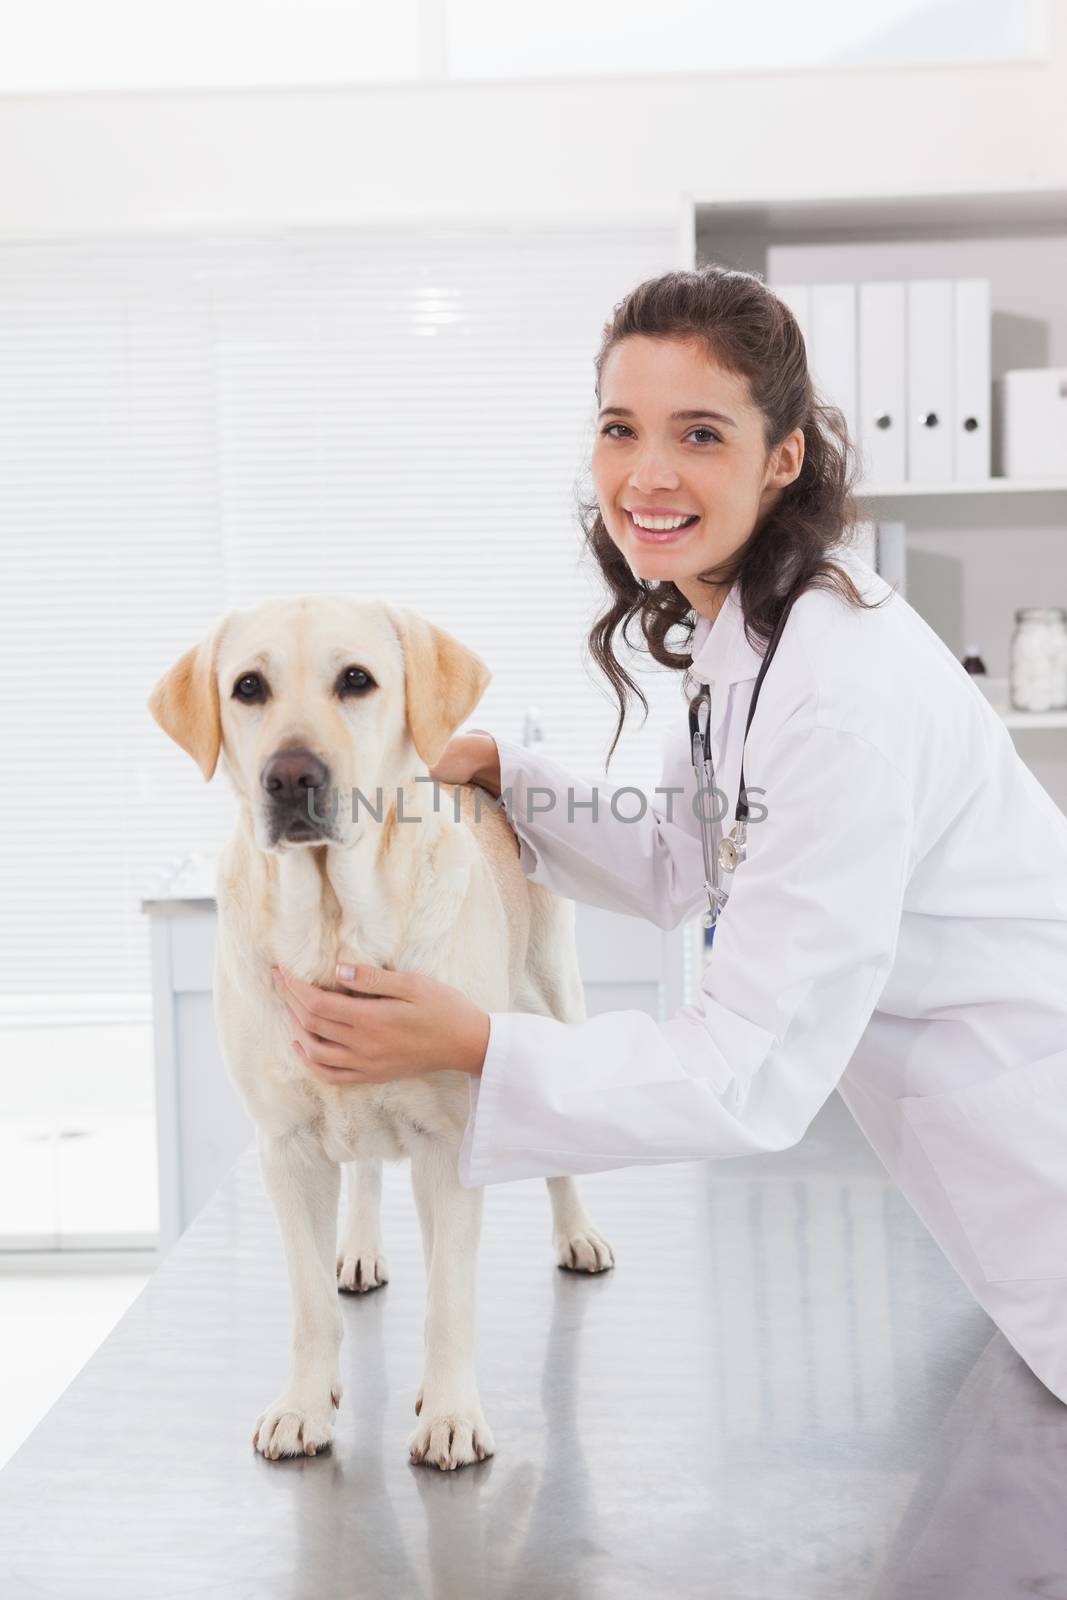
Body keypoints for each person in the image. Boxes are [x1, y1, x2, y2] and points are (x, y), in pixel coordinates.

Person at [275, 265, 1067, 1404]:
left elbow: (737, 1066)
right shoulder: (741, 636)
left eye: (698, 433)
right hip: (991, 1162)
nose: (644, 474)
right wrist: (509, 772)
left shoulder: (838, 689)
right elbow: (678, 865)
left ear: (781, 455)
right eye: (618, 429)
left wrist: (474, 1042)